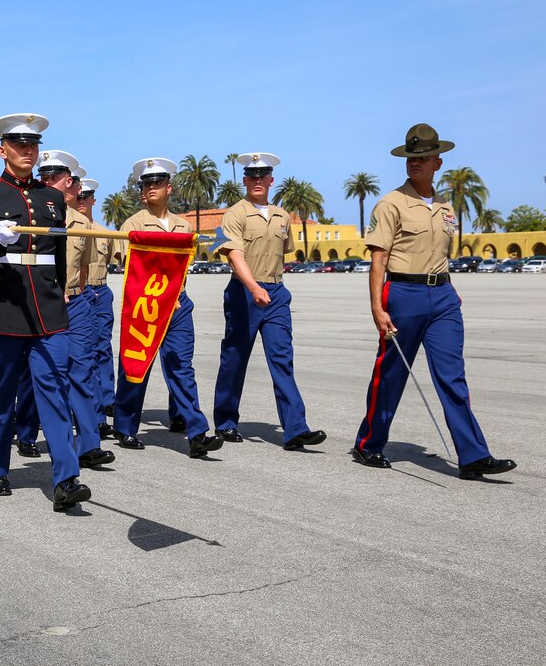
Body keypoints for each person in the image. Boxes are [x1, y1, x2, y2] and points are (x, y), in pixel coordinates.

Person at [354, 123, 517, 479]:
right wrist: (377, 308)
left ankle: (473, 456)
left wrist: (448, 290)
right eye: (411, 158)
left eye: (423, 157)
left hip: (442, 297)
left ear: (437, 162)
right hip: (402, 295)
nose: (416, 163)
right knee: (391, 374)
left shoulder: (445, 206)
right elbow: (378, 259)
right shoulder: (391, 204)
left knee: (452, 376)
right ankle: (368, 443)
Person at [0, 113, 90, 512]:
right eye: (18, 144)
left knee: (54, 391)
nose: (27, 150)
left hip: (47, 311)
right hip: (3, 307)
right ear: (2, 151)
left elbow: (59, 255)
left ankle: (66, 478)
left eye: (33, 144)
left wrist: (60, 292)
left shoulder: (51, 198)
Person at [212, 153, 327, 451]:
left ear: (271, 180)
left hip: (276, 294)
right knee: (235, 359)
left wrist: (270, 287)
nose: (258, 181)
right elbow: (233, 254)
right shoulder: (234, 214)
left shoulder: (282, 215)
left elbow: (283, 251)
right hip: (243, 293)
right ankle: (225, 422)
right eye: (252, 176)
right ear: (245, 181)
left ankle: (295, 428)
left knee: (282, 359)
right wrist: (252, 286)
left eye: (263, 176)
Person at [112, 158, 221, 458]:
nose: (150, 188)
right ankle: (125, 427)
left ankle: (197, 431)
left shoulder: (184, 225)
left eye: (156, 183)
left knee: (181, 366)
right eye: (146, 184)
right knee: (136, 366)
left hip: (177, 304)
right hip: (145, 306)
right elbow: (127, 267)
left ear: (169, 187)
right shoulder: (132, 224)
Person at [14, 149, 114, 470]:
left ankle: (88, 445)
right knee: (37, 372)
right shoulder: (33, 217)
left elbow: (84, 268)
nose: (47, 182)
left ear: (68, 181)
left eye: (54, 177)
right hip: (43, 302)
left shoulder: (82, 223)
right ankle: (27, 433)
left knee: (81, 371)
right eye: (43, 176)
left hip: (77, 302)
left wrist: (76, 292)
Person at [76, 177, 120, 436]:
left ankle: (107, 399)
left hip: (100, 290)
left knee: (102, 347)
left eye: (86, 197)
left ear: (93, 200)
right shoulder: (69, 227)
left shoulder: (105, 233)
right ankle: (87, 404)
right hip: (77, 291)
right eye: (78, 197)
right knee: (81, 351)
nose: (81, 201)